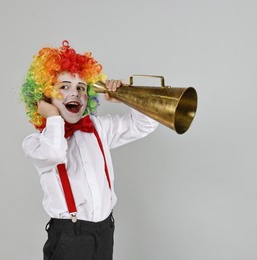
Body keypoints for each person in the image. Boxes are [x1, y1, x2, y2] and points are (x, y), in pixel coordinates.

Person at [21, 40, 158, 260]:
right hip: (69, 238)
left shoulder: (98, 128)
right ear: (46, 95)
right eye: (63, 87)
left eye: (81, 88)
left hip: (105, 233)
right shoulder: (35, 142)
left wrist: (126, 96)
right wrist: (54, 118)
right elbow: (55, 154)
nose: (74, 93)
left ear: (88, 97)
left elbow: (146, 124)